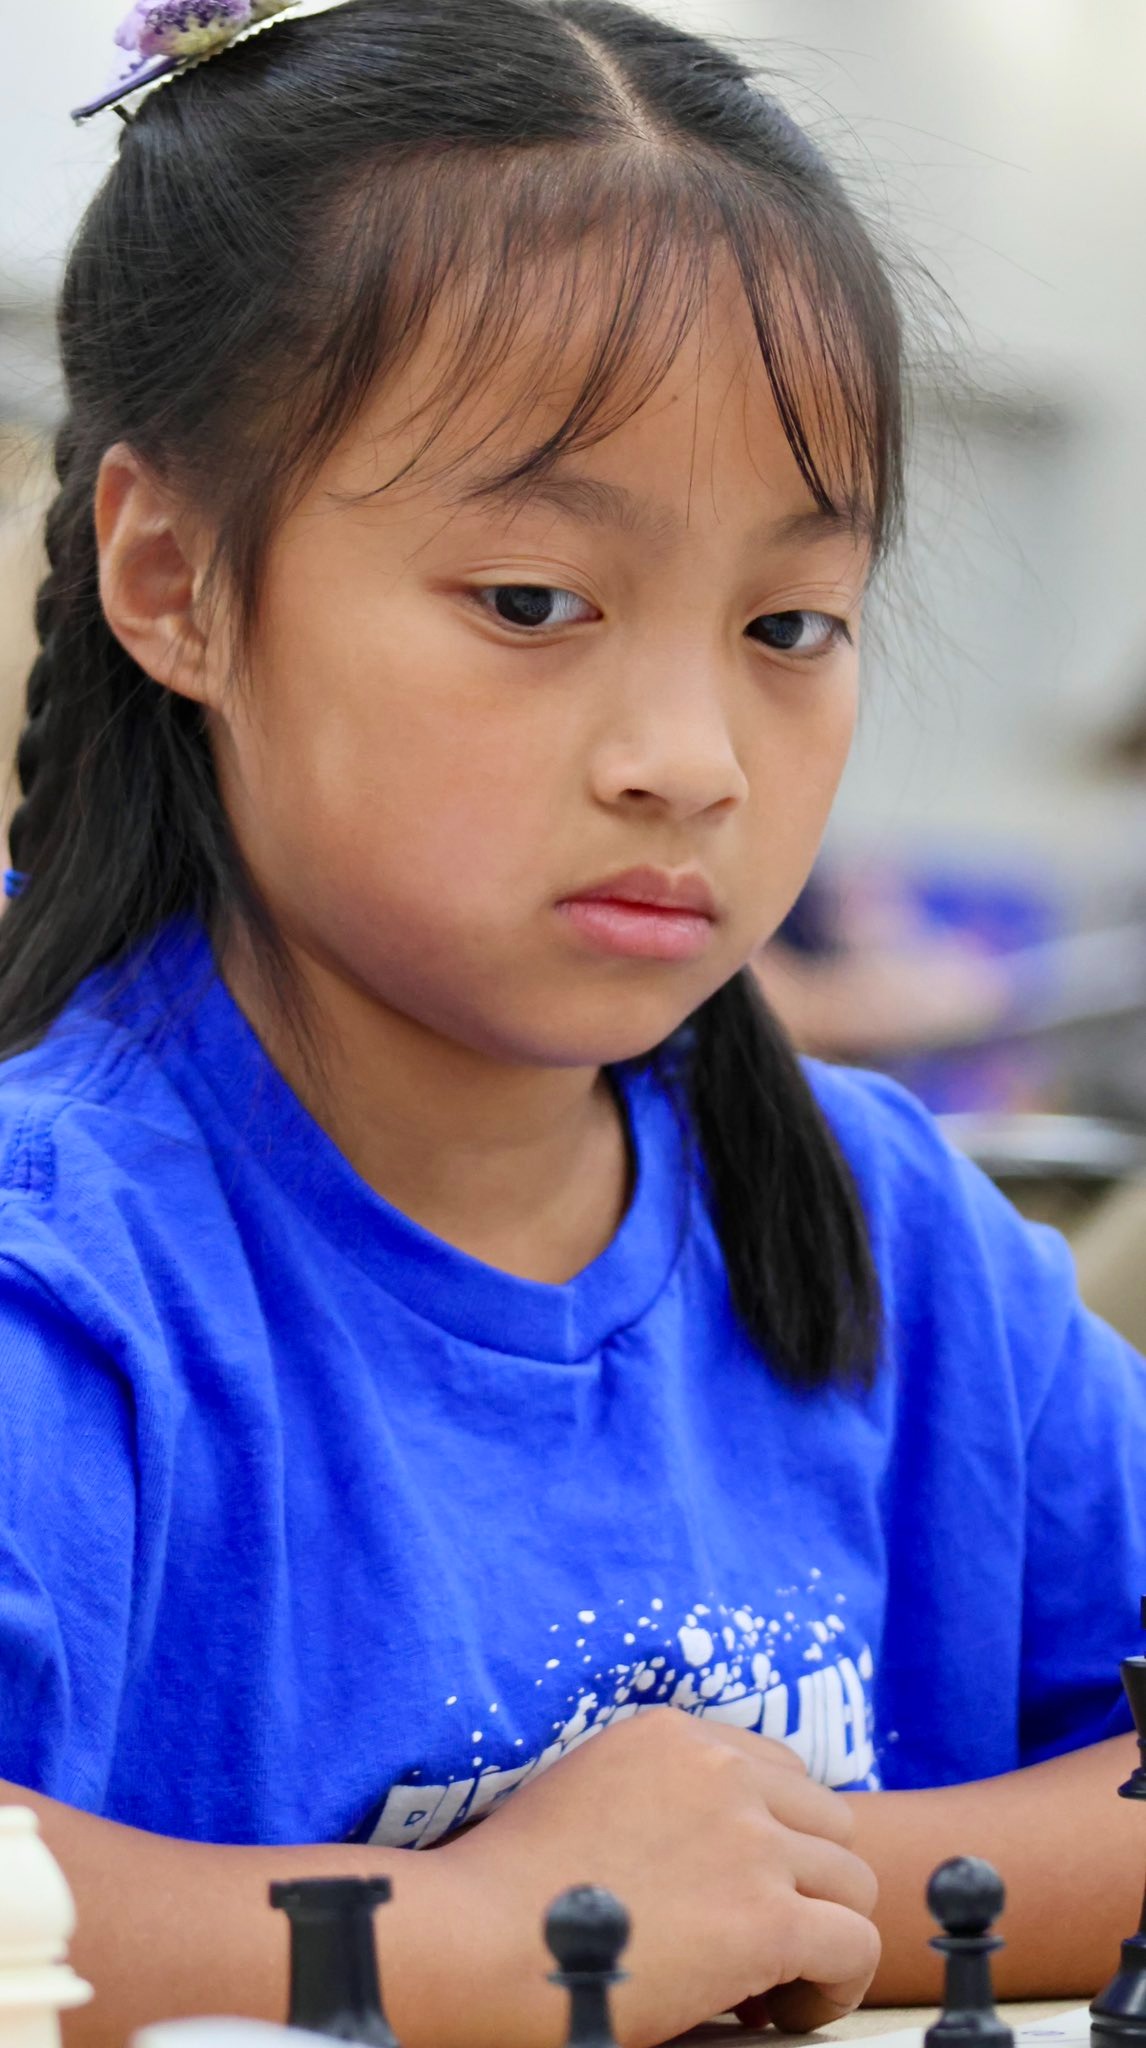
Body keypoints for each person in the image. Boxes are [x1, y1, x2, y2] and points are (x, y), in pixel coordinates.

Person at [2, 2, 1145, 2045]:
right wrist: (481, 1934)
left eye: (790, 624)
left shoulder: (898, 1236)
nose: (692, 757)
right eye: (534, 603)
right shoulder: (67, 1276)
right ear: (173, 578)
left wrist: (794, 1880)